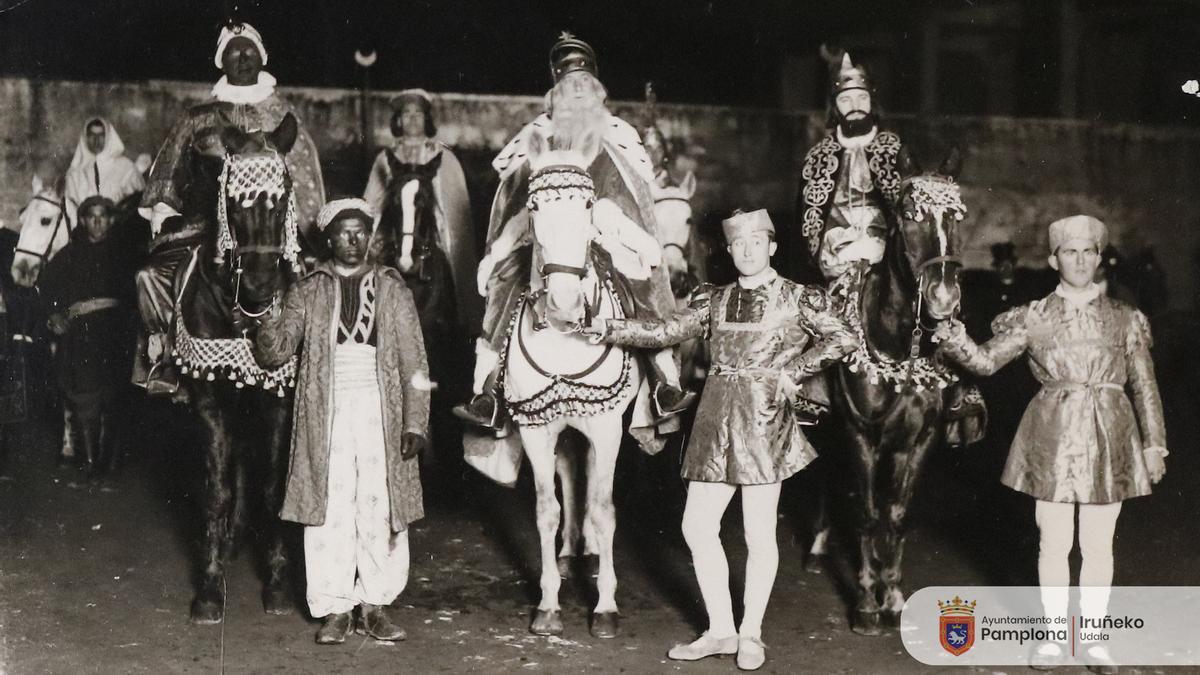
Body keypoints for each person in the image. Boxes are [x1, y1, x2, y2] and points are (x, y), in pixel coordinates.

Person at [586, 209, 859, 671]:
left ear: (772, 247)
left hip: (764, 418)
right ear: (729, 250)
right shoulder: (714, 299)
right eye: (739, 243)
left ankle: (750, 632)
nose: (749, 250)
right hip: (714, 415)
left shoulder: (798, 298)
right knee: (696, 526)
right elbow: (666, 331)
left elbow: (843, 338)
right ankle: (720, 630)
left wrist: (793, 372)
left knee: (757, 531)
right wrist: (607, 328)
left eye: (758, 241)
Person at [935, 215, 1167, 674]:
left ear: (1099, 258)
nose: (1079, 261)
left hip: (1113, 435)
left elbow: (1144, 385)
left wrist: (1154, 445)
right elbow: (985, 362)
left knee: (1100, 544)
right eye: (1069, 252)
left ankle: (1096, 641)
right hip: (1053, 436)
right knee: (1053, 541)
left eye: (1088, 252)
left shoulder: (1125, 319)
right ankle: (1055, 639)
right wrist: (956, 337)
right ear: (1052, 259)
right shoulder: (1034, 315)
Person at [454, 31, 693, 432]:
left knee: (644, 284)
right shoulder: (534, 138)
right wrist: (496, 253)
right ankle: (488, 390)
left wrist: (626, 236)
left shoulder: (618, 137)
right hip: (545, 241)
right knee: (505, 288)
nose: (577, 96)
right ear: (556, 95)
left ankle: (661, 381)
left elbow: (636, 203)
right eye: (569, 89)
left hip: (605, 238)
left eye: (585, 88)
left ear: (598, 93)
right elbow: (513, 204)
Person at [254, 198, 430, 645]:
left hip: (381, 409)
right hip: (325, 410)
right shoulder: (309, 290)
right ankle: (334, 607)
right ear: (328, 238)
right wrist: (264, 308)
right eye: (344, 232)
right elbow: (276, 352)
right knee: (329, 505)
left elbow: (415, 363)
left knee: (379, 504)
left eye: (361, 232)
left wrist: (415, 422)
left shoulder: (393, 288)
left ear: (369, 236)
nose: (353, 240)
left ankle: (375, 604)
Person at [135, 21, 325, 396]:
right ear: (222, 60)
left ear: (261, 56)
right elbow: (171, 167)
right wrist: (162, 206)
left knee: (316, 282)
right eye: (233, 51)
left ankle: (317, 364)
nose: (242, 56)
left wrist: (305, 229)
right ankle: (166, 359)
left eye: (248, 49)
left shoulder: (284, 115)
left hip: (271, 227)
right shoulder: (197, 116)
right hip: (204, 226)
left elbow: (304, 177)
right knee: (149, 276)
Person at [40, 196, 139, 485]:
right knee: (83, 394)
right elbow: (46, 288)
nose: (97, 222)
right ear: (83, 221)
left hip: (115, 331)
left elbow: (136, 295)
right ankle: (92, 464)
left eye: (103, 217)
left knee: (115, 396)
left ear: (111, 220)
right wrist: (54, 315)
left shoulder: (124, 254)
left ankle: (110, 464)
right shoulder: (70, 254)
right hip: (79, 335)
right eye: (91, 217)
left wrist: (102, 306)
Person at [362, 88, 479, 330]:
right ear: (398, 120)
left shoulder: (444, 157)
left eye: (418, 113)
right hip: (393, 237)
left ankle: (462, 323)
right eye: (406, 113)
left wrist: (444, 234)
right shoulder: (385, 158)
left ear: (427, 118)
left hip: (432, 238)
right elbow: (372, 204)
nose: (413, 119)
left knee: (455, 271)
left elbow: (454, 209)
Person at [794, 49, 906, 283]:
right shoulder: (818, 157)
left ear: (872, 101)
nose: (855, 106)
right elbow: (807, 225)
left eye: (862, 98)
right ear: (834, 106)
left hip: (885, 266)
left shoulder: (895, 149)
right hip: (834, 265)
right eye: (846, 99)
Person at [64, 118, 145, 225]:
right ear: (85, 137)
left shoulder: (126, 167)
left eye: (101, 135)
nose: (96, 140)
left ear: (108, 137)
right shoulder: (74, 172)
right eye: (92, 135)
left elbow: (140, 202)